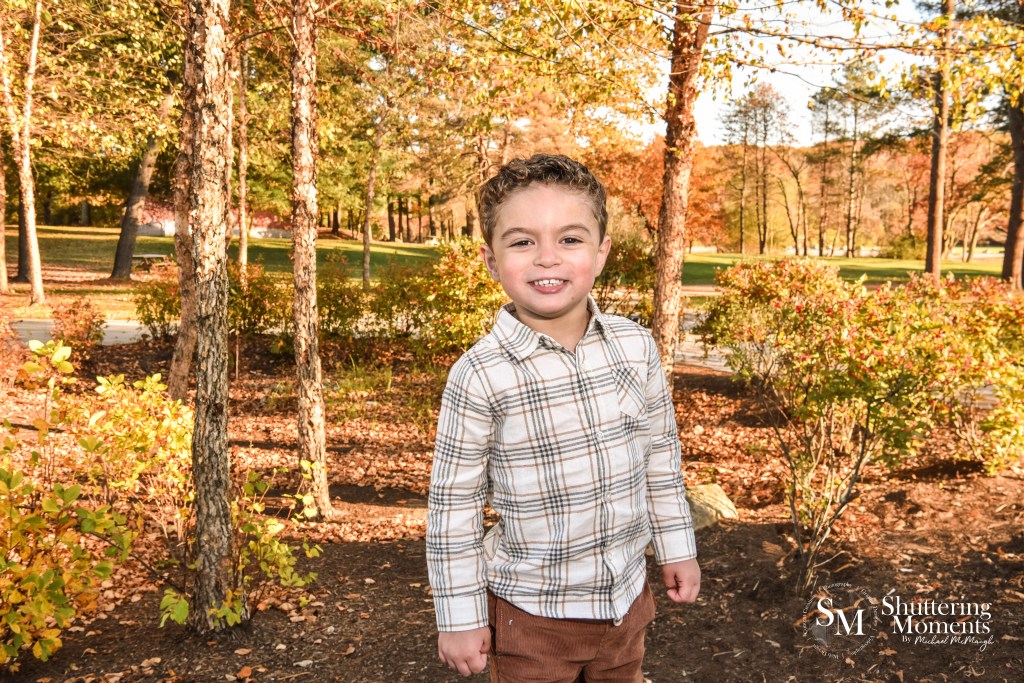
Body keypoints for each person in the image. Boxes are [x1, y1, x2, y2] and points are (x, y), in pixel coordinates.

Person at [426, 154, 700, 682]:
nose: (547, 258)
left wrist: (677, 548)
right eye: (522, 241)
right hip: (532, 617)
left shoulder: (635, 347)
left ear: (601, 253)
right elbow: (452, 508)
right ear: (489, 259)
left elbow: (660, 459)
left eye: (570, 240)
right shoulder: (479, 374)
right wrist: (458, 615)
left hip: (626, 603)